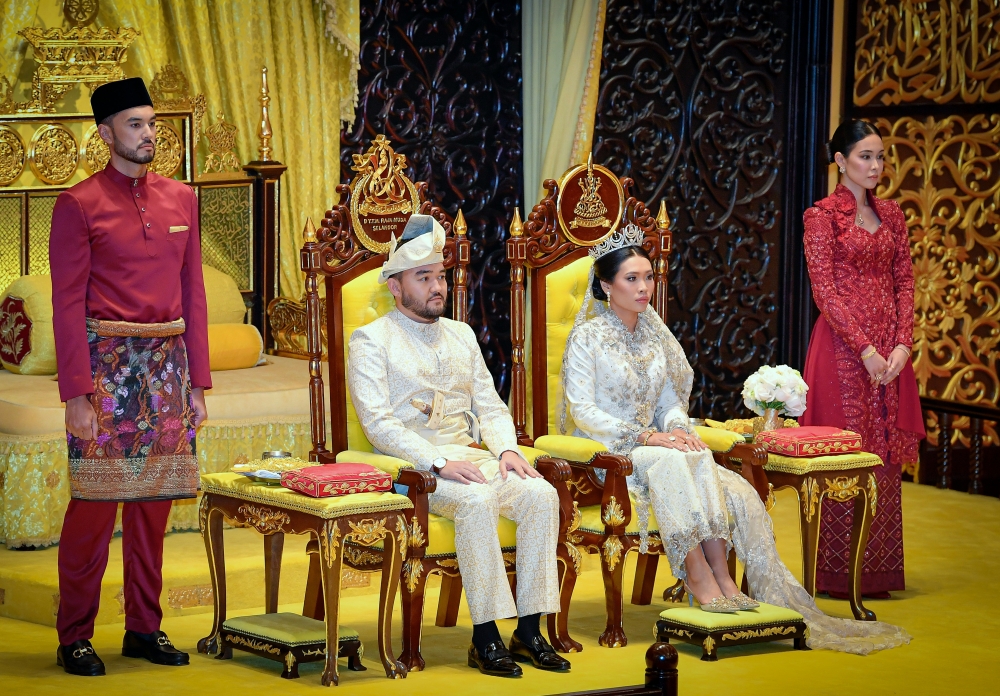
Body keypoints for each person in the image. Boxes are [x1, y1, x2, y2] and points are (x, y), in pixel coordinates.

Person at [560, 227, 911, 653]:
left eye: (648, 277)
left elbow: (671, 400)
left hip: (658, 446)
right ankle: (698, 576)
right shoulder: (586, 338)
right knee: (677, 460)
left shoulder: (654, 336)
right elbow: (583, 411)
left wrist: (676, 429)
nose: (643, 287)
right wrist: (648, 435)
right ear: (605, 285)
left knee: (725, 478)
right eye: (631, 278)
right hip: (611, 450)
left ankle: (725, 578)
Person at [347, 214, 570, 677]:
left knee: (540, 495)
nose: (437, 287)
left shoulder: (462, 334)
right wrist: (438, 461)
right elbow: (378, 425)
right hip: (413, 470)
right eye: (423, 277)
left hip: (470, 457)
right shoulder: (371, 340)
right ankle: (485, 637)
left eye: (440, 277)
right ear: (395, 284)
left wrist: (507, 450)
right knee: (474, 499)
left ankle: (529, 631)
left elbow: (489, 405)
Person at [49, 77, 209, 676]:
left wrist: (197, 384)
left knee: (154, 508)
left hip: (167, 371)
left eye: (151, 122)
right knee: (92, 507)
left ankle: (144, 627)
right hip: (107, 372)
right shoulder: (78, 204)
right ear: (105, 132)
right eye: (135, 124)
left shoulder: (183, 199)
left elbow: (192, 294)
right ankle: (75, 636)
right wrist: (76, 393)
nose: (149, 133)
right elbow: (67, 303)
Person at [801, 119, 925, 598]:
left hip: (890, 354)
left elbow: (906, 283)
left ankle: (876, 572)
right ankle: (834, 573)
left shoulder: (893, 215)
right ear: (840, 161)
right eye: (864, 157)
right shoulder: (822, 216)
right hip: (842, 350)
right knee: (843, 456)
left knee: (884, 457)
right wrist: (867, 349)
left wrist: (901, 345)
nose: (875, 166)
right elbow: (824, 291)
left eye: (879, 156)